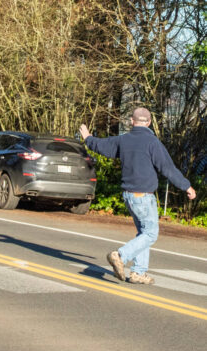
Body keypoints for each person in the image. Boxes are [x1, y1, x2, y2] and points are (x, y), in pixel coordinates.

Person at [79, 107, 196, 284]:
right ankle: (120, 255)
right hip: (143, 196)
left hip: (129, 196)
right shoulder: (152, 142)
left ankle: (138, 272)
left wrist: (88, 138)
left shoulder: (124, 140)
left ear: (132, 122)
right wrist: (186, 186)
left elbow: (103, 146)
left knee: (143, 232)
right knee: (150, 234)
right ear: (149, 123)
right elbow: (167, 168)